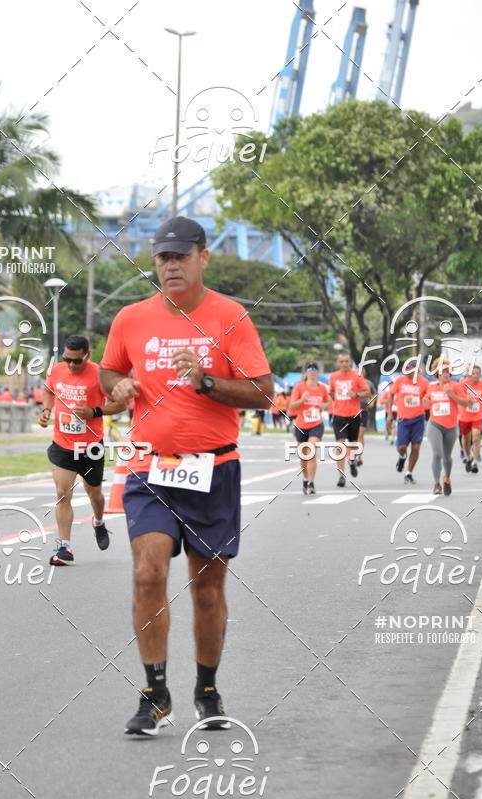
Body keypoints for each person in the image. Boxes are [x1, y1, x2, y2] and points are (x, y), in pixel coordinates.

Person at [99, 215, 273, 738]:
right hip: (150, 467)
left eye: (180, 256)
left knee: (207, 590)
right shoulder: (131, 318)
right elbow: (109, 370)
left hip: (213, 469)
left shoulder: (230, 316)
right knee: (147, 574)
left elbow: (262, 391)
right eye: (162, 257)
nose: (170, 265)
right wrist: (121, 385)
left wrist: (207, 382)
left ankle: (207, 689)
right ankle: (154, 694)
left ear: (203, 257)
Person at [39, 335, 121, 566]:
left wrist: (94, 412)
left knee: (94, 493)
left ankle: (98, 521)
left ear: (88, 355)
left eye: (77, 361)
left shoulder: (100, 374)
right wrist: (46, 410)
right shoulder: (56, 370)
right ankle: (65, 548)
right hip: (63, 443)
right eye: (68, 360)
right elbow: (48, 391)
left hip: (91, 446)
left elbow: (120, 403)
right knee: (62, 492)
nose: (72, 365)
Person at [424, 359, 469, 495]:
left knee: (447, 457)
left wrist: (451, 394)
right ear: (436, 373)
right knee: (437, 453)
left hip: (450, 427)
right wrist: (425, 401)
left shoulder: (455, 386)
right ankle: (436, 484)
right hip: (434, 424)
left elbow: (466, 403)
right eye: (442, 371)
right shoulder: (432, 387)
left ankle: (447, 479)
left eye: (448, 371)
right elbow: (426, 400)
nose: (445, 374)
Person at [328, 352, 370, 487]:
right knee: (340, 444)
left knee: (352, 444)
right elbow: (332, 393)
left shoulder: (357, 375)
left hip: (354, 415)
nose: (344, 364)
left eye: (346, 361)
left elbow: (367, 392)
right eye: (342, 361)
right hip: (339, 415)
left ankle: (352, 461)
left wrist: (356, 394)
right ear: (338, 363)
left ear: (350, 362)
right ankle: (341, 476)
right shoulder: (333, 377)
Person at [288, 363, 330, 495]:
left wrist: (324, 404)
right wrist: (302, 399)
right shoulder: (299, 387)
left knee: (311, 450)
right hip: (301, 425)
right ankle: (305, 478)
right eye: (309, 370)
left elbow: (329, 402)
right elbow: (291, 406)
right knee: (303, 456)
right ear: (306, 373)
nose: (312, 372)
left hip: (316, 424)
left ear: (317, 373)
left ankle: (311, 483)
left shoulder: (322, 388)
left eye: (314, 370)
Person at [389, 364, 429, 484]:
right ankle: (402, 457)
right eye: (406, 369)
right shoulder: (400, 380)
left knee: (416, 446)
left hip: (418, 418)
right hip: (403, 419)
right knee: (402, 447)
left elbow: (428, 395)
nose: (407, 371)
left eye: (410, 369)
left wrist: (427, 399)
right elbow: (391, 394)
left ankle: (409, 473)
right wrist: (390, 414)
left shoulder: (424, 382)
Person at [459, 365, 482, 474]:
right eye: (473, 373)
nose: (475, 375)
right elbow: (459, 397)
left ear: (480, 374)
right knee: (466, 440)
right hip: (465, 416)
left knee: (476, 437)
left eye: (478, 373)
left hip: (478, 415)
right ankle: (468, 457)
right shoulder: (463, 383)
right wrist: (466, 400)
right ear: (470, 374)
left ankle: (475, 462)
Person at [356, 377, 376, 466]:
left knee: (360, 435)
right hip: (352, 410)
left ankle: (359, 456)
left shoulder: (368, 383)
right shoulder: (351, 382)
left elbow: (374, 394)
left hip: (363, 409)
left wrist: (372, 402)